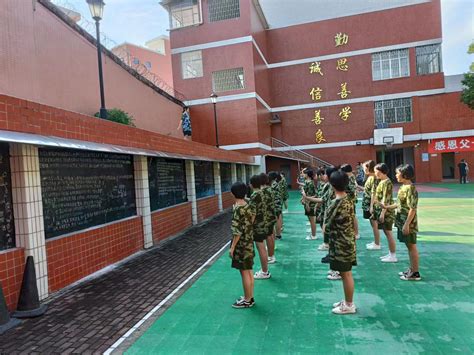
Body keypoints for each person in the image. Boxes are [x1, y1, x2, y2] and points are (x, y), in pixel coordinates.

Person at [324, 170, 357, 314]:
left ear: (332, 185)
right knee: (345, 273)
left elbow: (325, 227)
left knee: (346, 273)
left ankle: (349, 304)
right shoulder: (348, 198)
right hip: (347, 240)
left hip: (340, 243)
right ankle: (347, 300)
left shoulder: (336, 202)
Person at [381, 164, 421, 281]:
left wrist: (407, 224)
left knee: (411, 246)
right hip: (402, 221)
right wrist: (387, 206)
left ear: (405, 175)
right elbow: (399, 204)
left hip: (408, 223)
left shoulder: (410, 189)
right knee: (409, 246)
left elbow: (412, 208)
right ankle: (412, 269)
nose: (396, 175)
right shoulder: (403, 187)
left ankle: (415, 272)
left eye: (398, 173)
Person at [230, 182, 255, 308]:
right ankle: (249, 297)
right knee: (249, 270)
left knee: (244, 272)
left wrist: (233, 247)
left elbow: (237, 231)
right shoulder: (248, 204)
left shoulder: (238, 208)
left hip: (241, 244)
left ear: (233, 194)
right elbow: (252, 218)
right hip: (249, 241)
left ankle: (247, 300)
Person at [373, 163, 397, 263]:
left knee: (388, 232)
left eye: (376, 171)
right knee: (386, 232)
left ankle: (393, 255)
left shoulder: (387, 183)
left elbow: (385, 199)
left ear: (381, 171)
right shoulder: (382, 181)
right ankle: (390, 253)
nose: (375, 173)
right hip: (381, 210)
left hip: (386, 211)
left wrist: (383, 213)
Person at [248, 175, 271, 279]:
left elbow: (252, 214)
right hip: (264, 223)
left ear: (252, 184)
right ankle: (265, 270)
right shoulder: (261, 192)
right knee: (263, 247)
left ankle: (265, 272)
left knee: (261, 248)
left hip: (258, 226)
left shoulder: (254, 195)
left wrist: (248, 226)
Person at [360, 160, 381, 250]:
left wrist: (372, 206)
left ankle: (377, 243)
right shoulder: (370, 178)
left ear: (369, 167)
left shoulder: (374, 178)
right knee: (373, 224)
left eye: (364, 168)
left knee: (374, 224)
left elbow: (374, 193)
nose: (364, 170)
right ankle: (376, 241)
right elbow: (367, 190)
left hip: (370, 204)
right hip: (367, 203)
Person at [259, 172, 276, 272]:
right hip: (271, 215)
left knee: (269, 236)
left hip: (267, 217)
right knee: (271, 235)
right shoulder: (269, 189)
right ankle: (271, 254)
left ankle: (271, 255)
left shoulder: (264, 191)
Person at [341, 164, 360, 240]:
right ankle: (354, 232)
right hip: (349, 199)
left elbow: (352, 189)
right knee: (351, 216)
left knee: (353, 216)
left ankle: (356, 233)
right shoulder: (350, 177)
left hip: (350, 199)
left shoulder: (350, 178)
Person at [301, 168, 318, 240]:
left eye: (304, 173)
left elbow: (310, 195)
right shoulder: (307, 182)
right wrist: (302, 199)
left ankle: (313, 235)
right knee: (310, 219)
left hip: (310, 204)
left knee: (312, 220)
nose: (303, 175)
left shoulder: (310, 183)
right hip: (307, 203)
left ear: (307, 175)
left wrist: (307, 204)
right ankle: (312, 231)